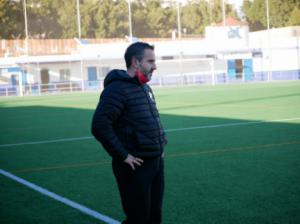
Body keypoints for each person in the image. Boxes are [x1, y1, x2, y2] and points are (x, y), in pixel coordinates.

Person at [91, 42, 167, 224]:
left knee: (154, 216)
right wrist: (123, 155)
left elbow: (151, 118)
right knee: (138, 218)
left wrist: (161, 142)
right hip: (135, 166)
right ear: (135, 62)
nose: (155, 66)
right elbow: (100, 125)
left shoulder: (145, 87)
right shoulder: (117, 89)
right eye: (150, 61)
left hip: (155, 162)